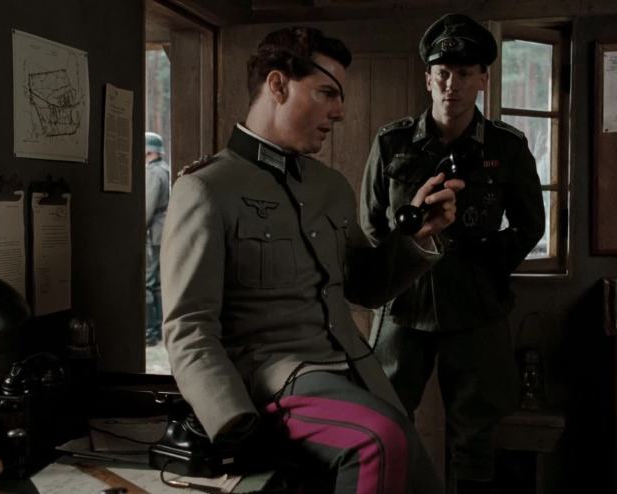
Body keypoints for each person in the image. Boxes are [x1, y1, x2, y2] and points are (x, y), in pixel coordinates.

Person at [161, 26, 464, 493]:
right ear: (278, 85)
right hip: (275, 379)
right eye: (327, 92)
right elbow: (188, 327)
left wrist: (417, 237)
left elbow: (365, 288)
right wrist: (232, 420)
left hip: (354, 371)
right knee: (378, 443)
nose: (339, 111)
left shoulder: (329, 187)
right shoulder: (205, 188)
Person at [359, 14, 545, 494]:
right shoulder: (392, 142)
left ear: (483, 80)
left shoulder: (507, 146)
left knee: (476, 438)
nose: (452, 84)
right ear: (428, 78)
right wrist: (405, 258)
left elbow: (530, 225)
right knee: (384, 422)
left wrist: (486, 262)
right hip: (404, 304)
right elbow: (371, 224)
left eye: (464, 73)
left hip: (476, 305)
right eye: (442, 72)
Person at [145, 131, 170, 346]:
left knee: (150, 281)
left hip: (157, 231)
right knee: (160, 283)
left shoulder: (154, 172)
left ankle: (151, 331)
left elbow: (149, 205)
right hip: (164, 230)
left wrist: (140, 226)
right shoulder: (166, 169)